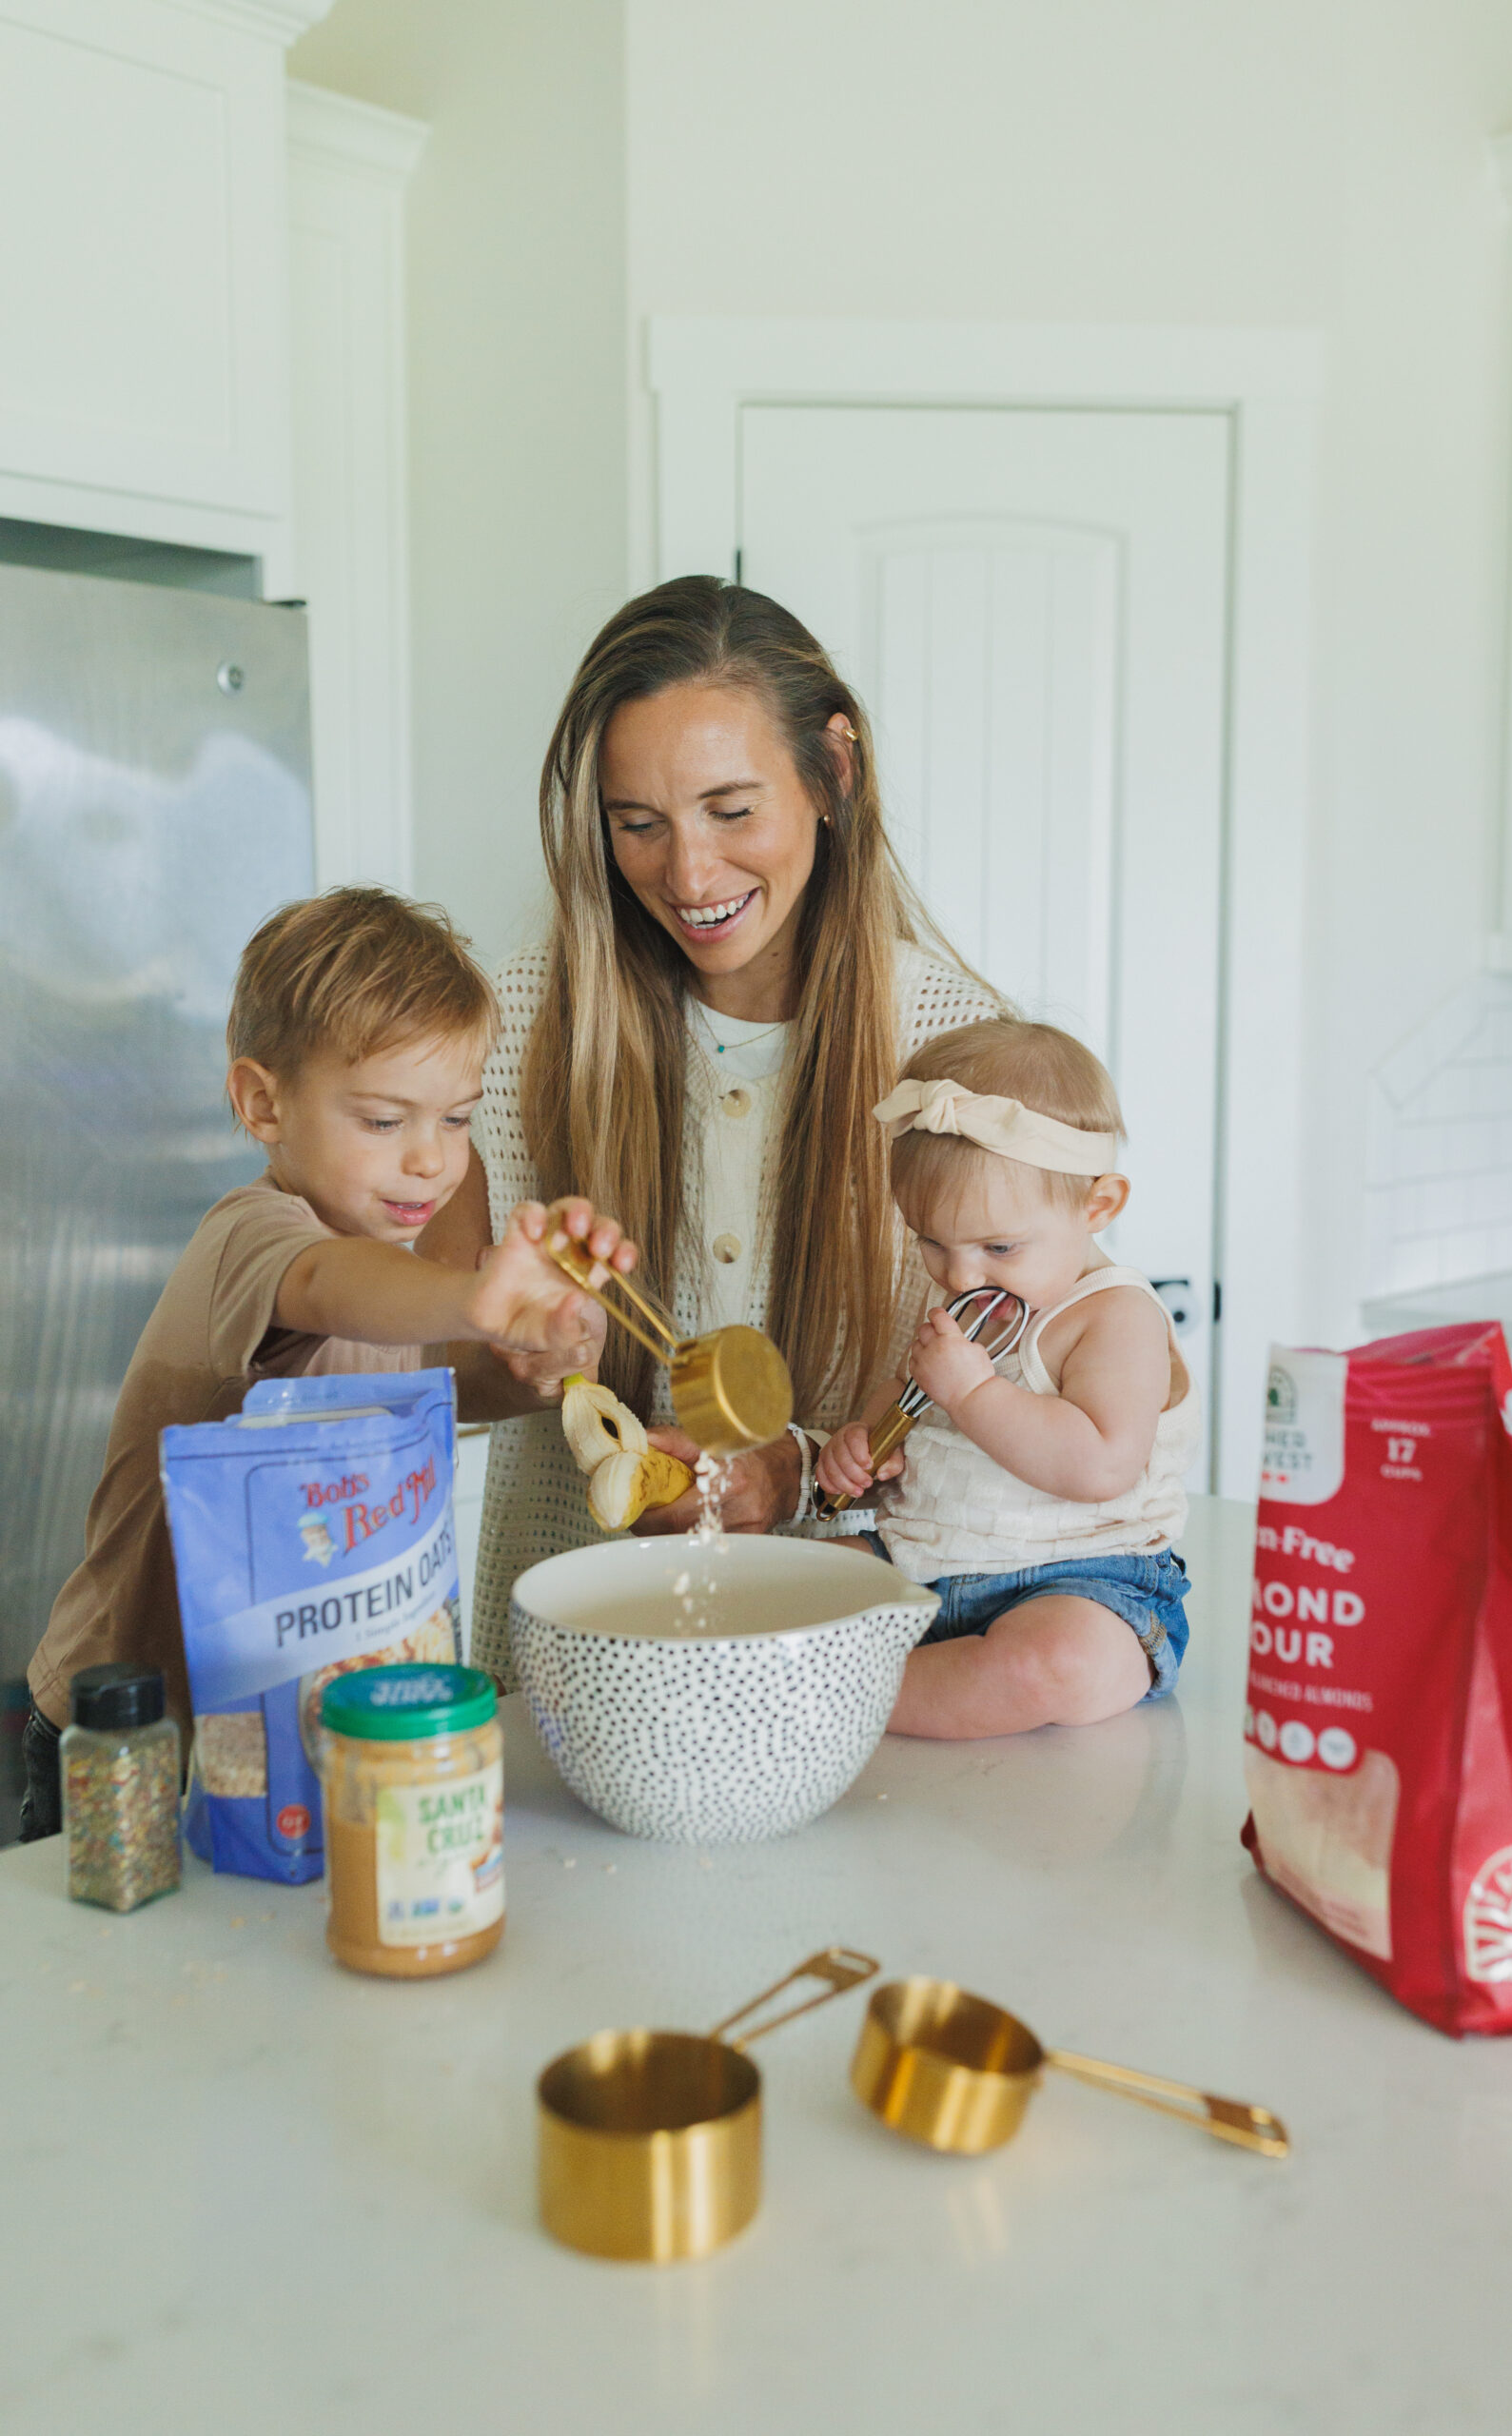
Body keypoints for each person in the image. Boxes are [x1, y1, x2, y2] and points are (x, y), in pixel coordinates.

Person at [418, 577, 1002, 1682]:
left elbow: (998, 1387)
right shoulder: (521, 1027)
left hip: (849, 1673)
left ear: (835, 771)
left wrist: (799, 1472)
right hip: (565, 1673)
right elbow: (439, 1372)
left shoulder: (959, 1055)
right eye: (637, 825)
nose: (687, 875)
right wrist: (534, 1359)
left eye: (731, 811)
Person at [19, 887, 633, 1838]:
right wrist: (474, 1297)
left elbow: (440, 1373)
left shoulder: (387, 1269)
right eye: (386, 1120)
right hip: (132, 1730)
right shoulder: (259, 1238)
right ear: (264, 1101)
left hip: (268, 1734)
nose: (432, 1160)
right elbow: (330, 1286)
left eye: (457, 1118)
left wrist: (534, 1354)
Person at [815, 1019, 1198, 1739]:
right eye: (930, 1240)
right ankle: (830, 1669)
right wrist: (867, 1446)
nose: (958, 1275)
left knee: (1055, 1662)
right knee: (784, 1577)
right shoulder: (974, 1298)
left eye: (997, 1245)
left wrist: (973, 1393)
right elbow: (911, 1409)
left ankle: (833, 1700)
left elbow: (1101, 1464)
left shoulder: (1113, 1316)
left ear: (1097, 1206)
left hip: (1082, 1581)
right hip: (925, 1560)